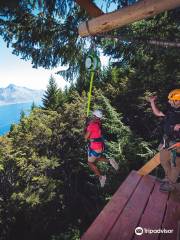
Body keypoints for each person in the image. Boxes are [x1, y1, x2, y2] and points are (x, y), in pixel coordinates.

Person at [149, 89, 180, 192]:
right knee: (163, 160)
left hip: (177, 143)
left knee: (175, 164)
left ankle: (171, 184)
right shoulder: (170, 109)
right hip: (167, 140)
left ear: (178, 101)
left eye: (172, 100)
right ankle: (168, 178)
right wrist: (152, 102)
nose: (169, 102)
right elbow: (158, 113)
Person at [84, 110, 119, 187]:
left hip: (95, 147)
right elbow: (92, 126)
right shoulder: (98, 123)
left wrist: (86, 128)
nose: (92, 116)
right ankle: (110, 161)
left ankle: (101, 177)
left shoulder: (92, 125)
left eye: (93, 116)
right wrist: (87, 122)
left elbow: (86, 137)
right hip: (100, 146)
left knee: (90, 163)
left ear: (95, 117)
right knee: (96, 158)